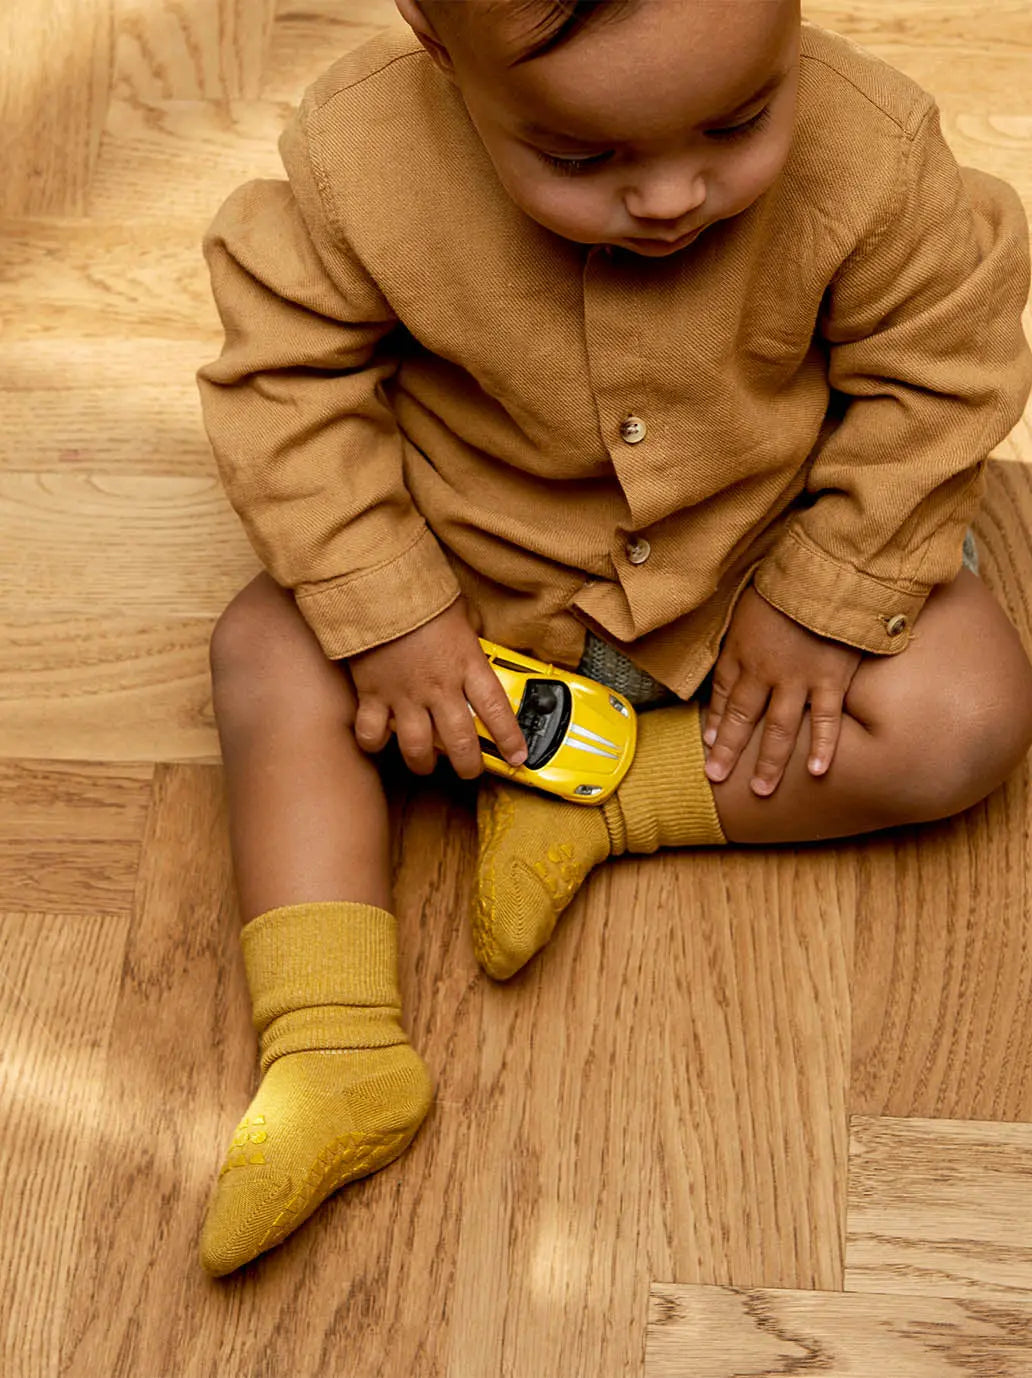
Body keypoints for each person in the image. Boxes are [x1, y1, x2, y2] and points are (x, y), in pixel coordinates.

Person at [194, 0, 1032, 1276]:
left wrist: (825, 592)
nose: (671, 197)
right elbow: (284, 380)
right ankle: (331, 1047)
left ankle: (609, 801)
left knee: (969, 709)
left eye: (740, 123)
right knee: (264, 649)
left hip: (747, 569)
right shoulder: (358, 158)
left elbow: (946, 373)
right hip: (466, 575)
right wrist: (388, 607)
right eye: (581, 157)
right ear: (438, 44)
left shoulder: (876, 155)